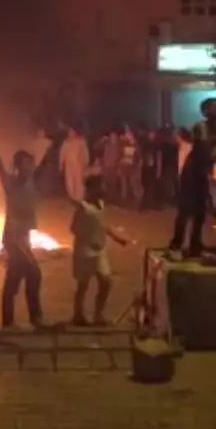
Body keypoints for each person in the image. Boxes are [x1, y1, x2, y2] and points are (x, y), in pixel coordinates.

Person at [0, 125, 44, 329]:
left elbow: (43, 166)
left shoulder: (30, 182)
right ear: (19, 167)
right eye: (28, 164)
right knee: (34, 273)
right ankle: (35, 318)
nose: (31, 167)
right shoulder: (11, 183)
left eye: (32, 164)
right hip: (13, 238)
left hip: (23, 236)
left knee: (15, 278)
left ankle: (9, 322)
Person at [69, 175, 129, 327]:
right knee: (83, 285)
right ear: (92, 189)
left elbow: (103, 225)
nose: (105, 189)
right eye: (102, 186)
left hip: (99, 251)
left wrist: (117, 238)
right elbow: (73, 229)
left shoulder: (101, 204)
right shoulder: (83, 208)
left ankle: (98, 315)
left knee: (106, 282)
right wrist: (88, 241)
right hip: (84, 252)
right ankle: (78, 315)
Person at [166, 98, 216, 259]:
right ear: (205, 112)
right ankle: (176, 244)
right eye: (214, 107)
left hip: (203, 171)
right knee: (185, 210)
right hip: (192, 171)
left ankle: (195, 244)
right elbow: (204, 146)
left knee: (201, 211)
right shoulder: (201, 127)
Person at [59, 127, 89, 203]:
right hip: (69, 165)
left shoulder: (80, 141)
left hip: (78, 164)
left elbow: (85, 152)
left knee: (79, 181)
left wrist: (85, 162)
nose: (70, 133)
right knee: (69, 181)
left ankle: (79, 198)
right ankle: (72, 197)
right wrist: (61, 163)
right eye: (69, 132)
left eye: (72, 132)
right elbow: (62, 153)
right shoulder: (66, 142)